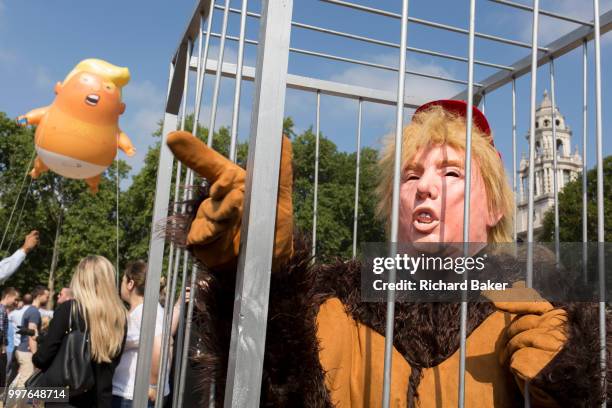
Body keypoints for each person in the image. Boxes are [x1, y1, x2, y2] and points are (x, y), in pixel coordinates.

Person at [165, 100, 608, 407]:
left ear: (494, 206)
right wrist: (256, 272)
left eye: (452, 172)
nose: (425, 188)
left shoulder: (542, 306)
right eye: (409, 176)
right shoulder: (335, 299)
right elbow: (271, 390)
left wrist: (566, 377)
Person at [32, 256, 127, 408]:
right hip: (101, 399)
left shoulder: (69, 310)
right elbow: (113, 362)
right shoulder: (119, 317)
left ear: (80, 279)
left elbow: (43, 357)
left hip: (63, 398)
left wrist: (38, 354)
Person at [112, 260, 186, 408]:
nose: (120, 284)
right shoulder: (146, 310)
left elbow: (162, 343)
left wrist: (153, 385)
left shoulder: (145, 312)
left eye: (122, 280)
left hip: (133, 397)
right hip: (130, 394)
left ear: (130, 284)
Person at [12, 285, 48, 388]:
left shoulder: (31, 310)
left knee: (21, 380)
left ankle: (12, 403)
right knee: (25, 383)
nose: (48, 298)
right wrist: (35, 355)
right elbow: (31, 335)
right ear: (39, 296)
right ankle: (15, 404)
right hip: (27, 351)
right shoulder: (34, 312)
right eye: (46, 296)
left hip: (23, 349)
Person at [6, 294, 31, 385]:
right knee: (20, 372)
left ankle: (5, 393)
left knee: (11, 371)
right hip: (24, 347)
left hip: (13, 346)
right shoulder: (30, 312)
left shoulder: (13, 314)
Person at [0, 287, 19, 387]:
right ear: (7, 296)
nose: (15, 302)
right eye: (15, 299)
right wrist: (2, 347)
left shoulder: (3, 310)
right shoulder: (1, 310)